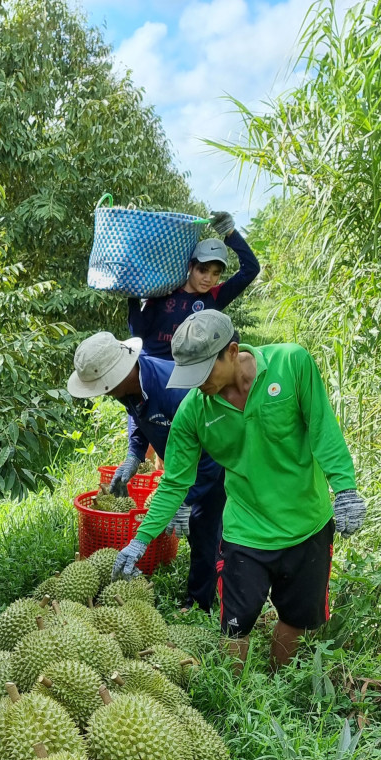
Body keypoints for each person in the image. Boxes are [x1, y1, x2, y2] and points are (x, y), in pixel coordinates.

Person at [112, 310, 366, 670]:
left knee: (297, 620)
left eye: (204, 372)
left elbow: (324, 430)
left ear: (232, 351)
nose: (197, 384)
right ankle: (235, 695)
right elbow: (174, 483)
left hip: (306, 524)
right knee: (235, 627)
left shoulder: (291, 363)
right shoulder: (193, 411)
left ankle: (278, 685)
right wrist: (141, 539)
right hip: (245, 531)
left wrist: (345, 490)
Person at [110, 213, 260, 609]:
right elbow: (136, 328)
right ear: (187, 266)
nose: (209, 278)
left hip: (194, 397)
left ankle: (205, 587)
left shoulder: (211, 300)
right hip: (155, 390)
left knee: (200, 501)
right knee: (175, 480)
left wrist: (231, 233)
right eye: (202, 269)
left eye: (215, 271)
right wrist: (133, 452)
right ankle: (181, 542)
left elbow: (251, 270)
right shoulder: (164, 294)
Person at [67, 331, 224, 609]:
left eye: (105, 385)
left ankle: (202, 603)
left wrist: (187, 497)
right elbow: (138, 420)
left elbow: (211, 451)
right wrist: (133, 455)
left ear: (122, 372)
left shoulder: (174, 390)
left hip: (210, 469)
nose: (104, 392)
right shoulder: (126, 388)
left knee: (205, 532)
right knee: (194, 532)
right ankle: (205, 587)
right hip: (181, 468)